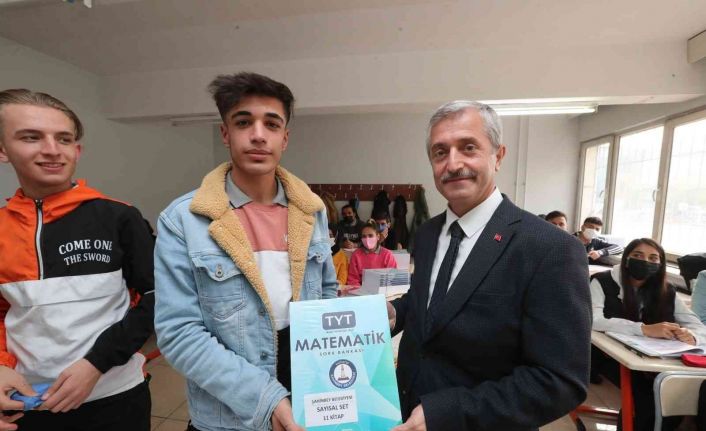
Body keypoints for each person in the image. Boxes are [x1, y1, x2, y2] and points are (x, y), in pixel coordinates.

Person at [387, 100, 591, 431]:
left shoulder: (550, 249)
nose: (453, 163)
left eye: (468, 148)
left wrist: (448, 414)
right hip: (403, 415)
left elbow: (559, 380)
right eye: (440, 152)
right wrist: (396, 312)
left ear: (498, 156)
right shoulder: (426, 234)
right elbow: (434, 303)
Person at [153, 72, 338, 431]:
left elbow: (327, 294)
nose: (258, 135)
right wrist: (266, 399)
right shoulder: (183, 220)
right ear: (225, 134)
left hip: (310, 399)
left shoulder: (311, 211)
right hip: (229, 415)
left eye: (271, 124)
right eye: (243, 122)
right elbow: (178, 333)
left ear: (285, 138)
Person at [0, 89, 154, 430]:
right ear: (2, 150)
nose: (52, 149)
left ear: (77, 150)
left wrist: (95, 364)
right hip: (25, 401)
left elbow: (157, 299)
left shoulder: (119, 217)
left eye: (64, 139)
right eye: (31, 137)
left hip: (115, 397)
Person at [591, 238, 706, 431]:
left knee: (672, 394)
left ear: (660, 264)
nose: (645, 261)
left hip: (655, 359)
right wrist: (643, 329)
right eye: (638, 255)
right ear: (626, 258)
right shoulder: (602, 281)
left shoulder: (667, 289)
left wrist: (692, 335)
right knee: (648, 397)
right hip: (608, 356)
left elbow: (697, 325)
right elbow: (593, 320)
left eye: (653, 258)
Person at [347, 220, 398, 286]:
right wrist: (361, 291)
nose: (367, 239)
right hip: (361, 290)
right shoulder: (356, 255)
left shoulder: (387, 255)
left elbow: (392, 278)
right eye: (364, 236)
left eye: (370, 235)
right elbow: (353, 279)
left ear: (378, 237)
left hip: (383, 290)